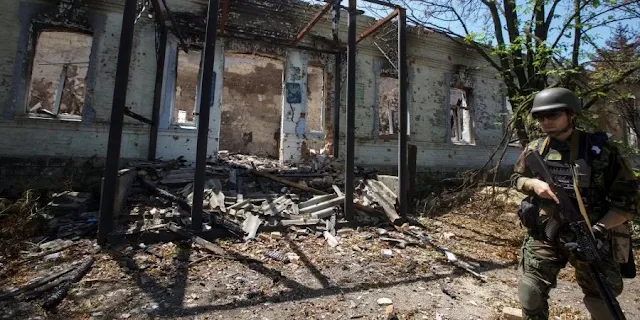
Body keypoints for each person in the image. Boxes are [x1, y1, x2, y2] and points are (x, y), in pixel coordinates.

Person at [510, 87, 638, 320]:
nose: (546, 121)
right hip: (546, 232)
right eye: (540, 117)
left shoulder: (601, 151)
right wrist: (533, 185)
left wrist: (597, 230)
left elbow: (628, 202)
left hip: (592, 234)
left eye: (553, 115)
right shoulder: (535, 149)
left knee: (602, 300)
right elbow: (516, 178)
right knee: (530, 292)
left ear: (571, 115)